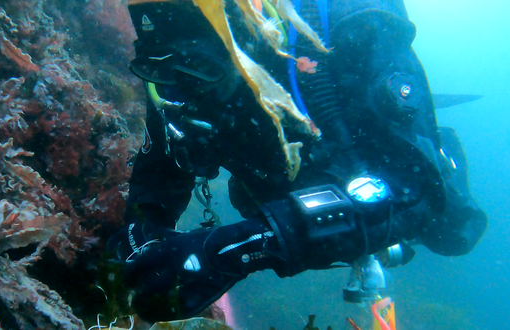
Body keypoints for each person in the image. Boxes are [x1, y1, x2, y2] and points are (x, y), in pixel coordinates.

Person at [109, 0, 487, 323]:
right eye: (162, 70)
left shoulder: (356, 25)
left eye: (197, 70)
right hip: (279, 181)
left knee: (450, 230)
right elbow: (162, 160)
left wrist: (234, 247)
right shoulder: (169, 52)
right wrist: (143, 229)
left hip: (373, 176)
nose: (181, 90)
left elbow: (417, 192)